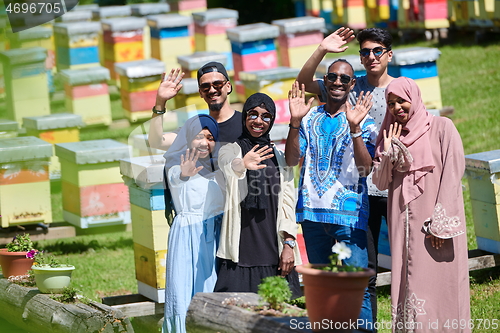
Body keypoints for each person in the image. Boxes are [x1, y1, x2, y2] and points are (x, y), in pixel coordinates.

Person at [297, 27, 395, 323]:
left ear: (389, 54)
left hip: (383, 184)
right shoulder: (352, 84)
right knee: (366, 275)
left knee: (367, 274)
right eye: (365, 51)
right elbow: (301, 83)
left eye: (377, 51)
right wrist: (322, 49)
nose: (371, 56)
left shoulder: (400, 87)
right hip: (353, 192)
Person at [372, 77, 471, 332]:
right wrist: (388, 152)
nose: (397, 108)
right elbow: (381, 182)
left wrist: (440, 225)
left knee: (440, 284)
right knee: (409, 284)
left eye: (401, 100)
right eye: (391, 103)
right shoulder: (391, 135)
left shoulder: (442, 128)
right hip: (402, 226)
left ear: (414, 98)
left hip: (434, 226)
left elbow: (452, 175)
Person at [286, 60, 377, 332]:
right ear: (325, 81)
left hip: (348, 218)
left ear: (352, 84)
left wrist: (355, 129)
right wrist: (294, 121)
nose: (338, 82)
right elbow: (292, 159)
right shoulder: (309, 117)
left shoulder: (365, 121)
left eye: (344, 79)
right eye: (333, 77)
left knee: (355, 285)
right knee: (324, 286)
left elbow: (366, 168)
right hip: (312, 216)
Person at [214, 92, 302, 298]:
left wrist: (289, 243)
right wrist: (242, 164)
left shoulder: (279, 157)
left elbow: (289, 203)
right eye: (252, 114)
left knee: (276, 317)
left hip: (274, 249)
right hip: (240, 252)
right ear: (244, 117)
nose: (258, 121)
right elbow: (227, 166)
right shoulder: (230, 150)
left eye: (265, 116)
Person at [162, 114, 225, 333]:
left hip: (214, 237)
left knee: (209, 288)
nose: (204, 142)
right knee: (184, 288)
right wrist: (184, 175)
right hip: (188, 237)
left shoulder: (218, 167)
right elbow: (176, 182)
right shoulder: (177, 164)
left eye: (210, 137)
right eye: (199, 136)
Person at [149, 61, 243, 151]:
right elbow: (156, 142)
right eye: (205, 87)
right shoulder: (195, 128)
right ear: (200, 93)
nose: (212, 90)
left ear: (228, 86)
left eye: (217, 84)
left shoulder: (246, 123)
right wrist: (160, 102)